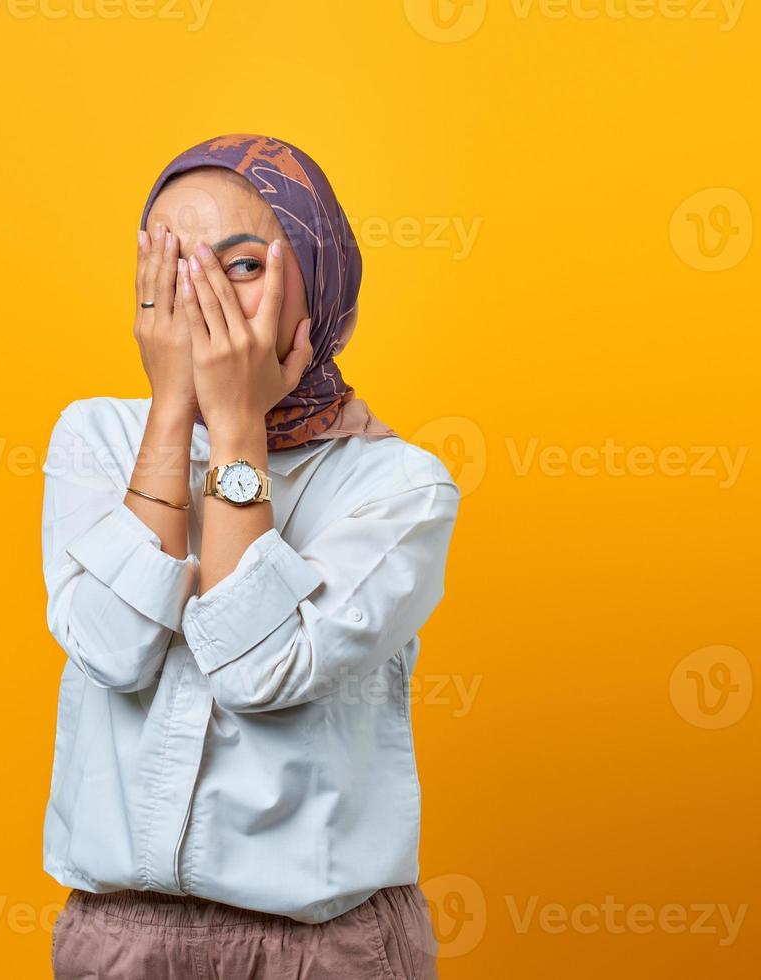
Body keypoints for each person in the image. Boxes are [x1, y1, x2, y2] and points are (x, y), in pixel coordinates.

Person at [41, 133, 460, 979]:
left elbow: (255, 672)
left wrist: (237, 428)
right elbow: (116, 650)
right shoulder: (95, 436)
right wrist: (171, 413)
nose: (203, 307)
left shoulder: (400, 486)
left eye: (240, 268)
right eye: (173, 269)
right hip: (118, 941)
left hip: (323, 949)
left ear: (318, 271)